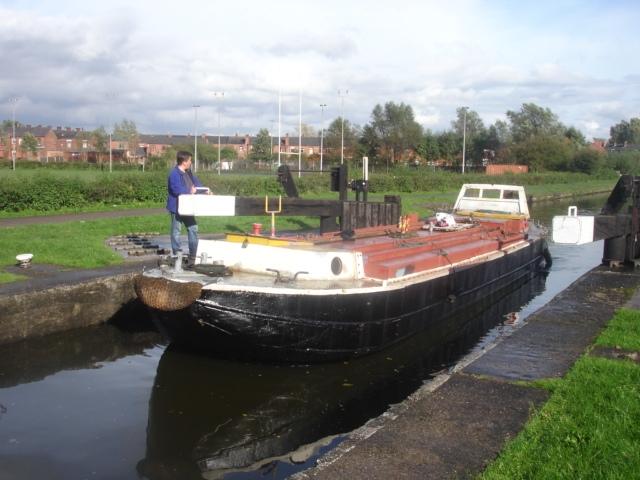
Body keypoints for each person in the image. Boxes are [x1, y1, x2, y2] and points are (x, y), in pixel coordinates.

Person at [166, 151, 204, 263]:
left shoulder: (189, 173)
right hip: (176, 207)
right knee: (176, 231)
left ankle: (193, 254)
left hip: (188, 208)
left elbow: (197, 185)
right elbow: (176, 189)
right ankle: (177, 254)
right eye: (190, 160)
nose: (191, 162)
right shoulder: (174, 174)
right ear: (184, 162)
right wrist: (189, 191)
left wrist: (205, 191)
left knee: (193, 228)